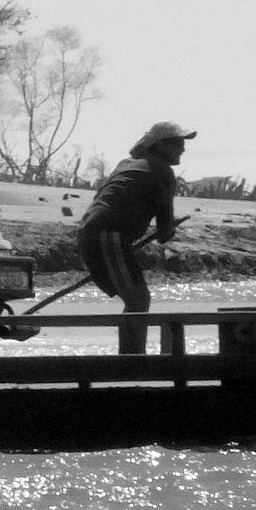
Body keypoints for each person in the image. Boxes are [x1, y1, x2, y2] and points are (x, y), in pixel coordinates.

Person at [76, 122, 195, 354]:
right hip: (107, 235)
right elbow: (164, 233)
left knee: (137, 300)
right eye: (178, 144)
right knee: (138, 301)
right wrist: (170, 228)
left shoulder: (128, 164)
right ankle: (132, 362)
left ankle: (131, 358)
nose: (182, 150)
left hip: (93, 233)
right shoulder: (162, 171)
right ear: (160, 146)